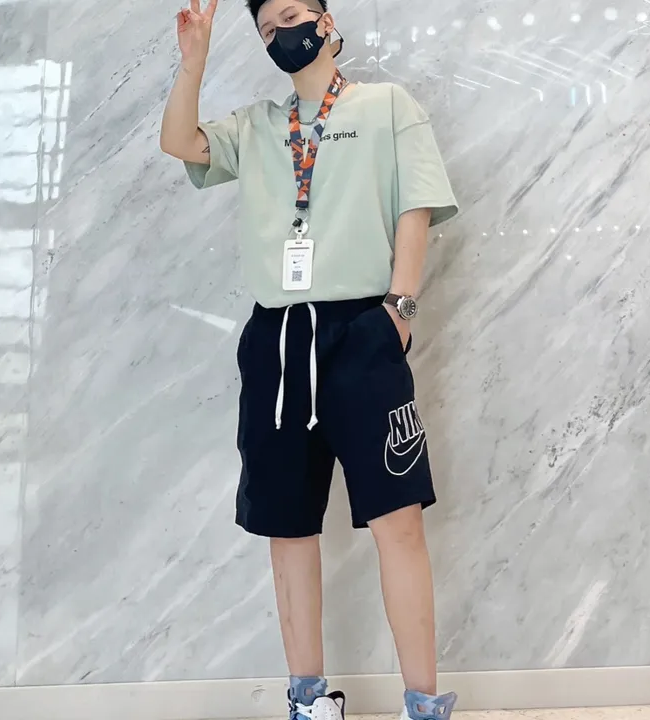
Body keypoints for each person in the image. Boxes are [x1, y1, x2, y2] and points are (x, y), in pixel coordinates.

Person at [160, 1, 459, 718]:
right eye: (267, 28)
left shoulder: (388, 106)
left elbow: (415, 205)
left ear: (325, 22)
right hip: (278, 338)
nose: (282, 32)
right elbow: (180, 143)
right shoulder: (259, 126)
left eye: (292, 15)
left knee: (397, 516)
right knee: (287, 522)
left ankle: (423, 703)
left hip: (364, 330)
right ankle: (308, 701)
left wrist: (400, 311)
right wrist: (193, 63)